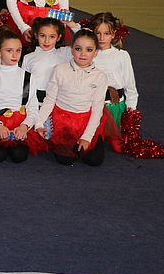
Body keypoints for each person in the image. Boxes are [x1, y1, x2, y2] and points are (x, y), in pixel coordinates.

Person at [34, 30, 107, 166]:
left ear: (96, 52)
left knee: (94, 160)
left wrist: (87, 137)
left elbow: (97, 109)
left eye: (89, 49)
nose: (83, 54)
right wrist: (39, 123)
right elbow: (50, 100)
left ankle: (95, 140)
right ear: (71, 50)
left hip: (86, 119)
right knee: (65, 159)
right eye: (78, 49)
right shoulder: (60, 70)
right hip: (62, 121)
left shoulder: (100, 76)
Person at [0, 30, 45, 163]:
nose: (15, 55)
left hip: (19, 124)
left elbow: (32, 108)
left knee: (19, 156)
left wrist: (25, 126)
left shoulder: (28, 77)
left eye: (18, 50)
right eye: (9, 50)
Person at [89, 12, 137, 145]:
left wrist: (130, 116)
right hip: (92, 107)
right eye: (98, 33)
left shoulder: (122, 56)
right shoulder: (87, 54)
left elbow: (130, 88)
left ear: (114, 34)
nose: (102, 38)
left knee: (118, 145)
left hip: (115, 108)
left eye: (106, 33)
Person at [21, 17, 70, 110]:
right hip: (35, 101)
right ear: (36, 35)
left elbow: (86, 41)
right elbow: (24, 84)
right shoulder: (28, 57)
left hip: (59, 101)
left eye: (52, 36)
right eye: (43, 36)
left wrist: (73, 25)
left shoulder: (65, 53)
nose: (46, 41)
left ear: (58, 37)